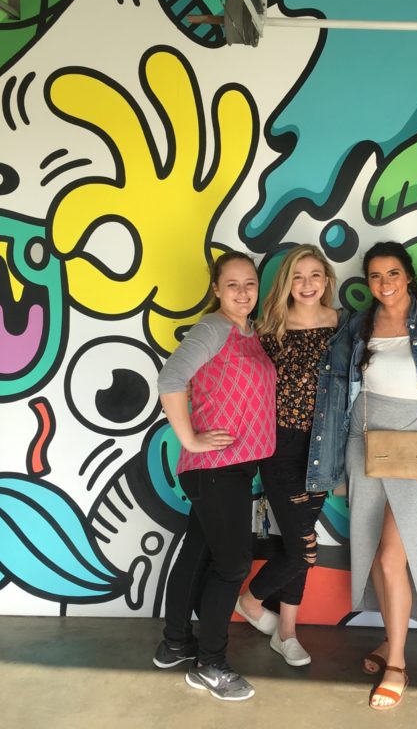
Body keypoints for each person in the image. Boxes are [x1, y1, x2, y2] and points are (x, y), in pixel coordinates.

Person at [153, 251, 277, 702]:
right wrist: (189, 439)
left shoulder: (247, 331)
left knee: (198, 553)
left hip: (231, 468)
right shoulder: (213, 327)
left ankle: (174, 644)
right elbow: (171, 378)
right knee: (233, 566)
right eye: (233, 285)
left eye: (250, 284)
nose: (243, 293)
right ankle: (210, 664)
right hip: (214, 469)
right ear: (216, 290)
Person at [346, 241, 417, 710]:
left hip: (414, 441)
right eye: (375, 276)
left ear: (409, 275)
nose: (384, 283)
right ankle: (391, 638)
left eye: (392, 273)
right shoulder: (360, 323)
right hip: (364, 437)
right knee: (374, 546)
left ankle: (397, 663)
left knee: (397, 554)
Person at [234, 245, 352, 667]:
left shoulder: (343, 325)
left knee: (294, 541)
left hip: (323, 448)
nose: (307, 284)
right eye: (298, 276)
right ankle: (249, 600)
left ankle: (286, 633)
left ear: (326, 280)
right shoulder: (269, 328)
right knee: (304, 548)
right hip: (279, 447)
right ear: (287, 282)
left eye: (315, 275)